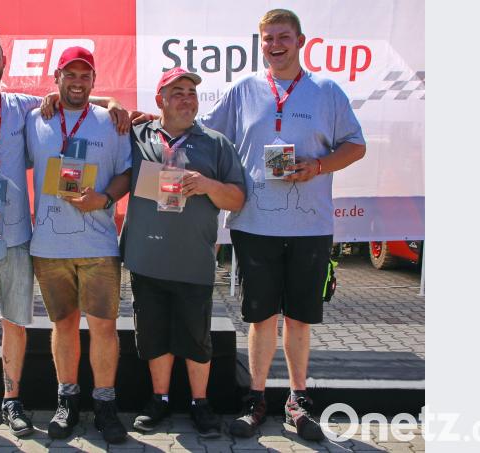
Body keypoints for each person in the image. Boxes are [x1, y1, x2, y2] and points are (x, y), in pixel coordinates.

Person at [0, 35, 128, 441]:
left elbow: (78, 94)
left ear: (3, 62)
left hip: (20, 239)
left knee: (16, 324)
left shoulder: (23, 108)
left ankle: (14, 402)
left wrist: (113, 103)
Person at [196, 9, 367, 441]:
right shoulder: (244, 89)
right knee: (260, 317)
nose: (275, 44)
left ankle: (298, 400)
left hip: (310, 227)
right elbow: (204, 133)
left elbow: (357, 145)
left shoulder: (326, 91)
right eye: (268, 38)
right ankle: (256, 399)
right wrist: (150, 120)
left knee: (299, 319)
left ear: (300, 41)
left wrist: (320, 165)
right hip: (255, 224)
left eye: (283, 37)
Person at [122, 68, 246, 438]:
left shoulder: (216, 143)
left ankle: (199, 403)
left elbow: (238, 198)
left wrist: (208, 185)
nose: (187, 98)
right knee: (154, 334)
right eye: (177, 92)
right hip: (146, 258)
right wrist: (114, 104)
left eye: (191, 92)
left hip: (194, 261)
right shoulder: (136, 134)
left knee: (196, 337)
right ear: (160, 99)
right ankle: (159, 400)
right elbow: (95, 108)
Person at [25, 46, 132, 444]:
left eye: (84, 75)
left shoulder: (110, 120)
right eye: (70, 75)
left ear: (93, 80)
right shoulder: (35, 118)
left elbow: (127, 173)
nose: (77, 82)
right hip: (49, 245)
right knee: (64, 324)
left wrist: (103, 199)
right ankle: (67, 401)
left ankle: (105, 405)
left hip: (99, 243)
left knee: (104, 327)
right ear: (56, 77)